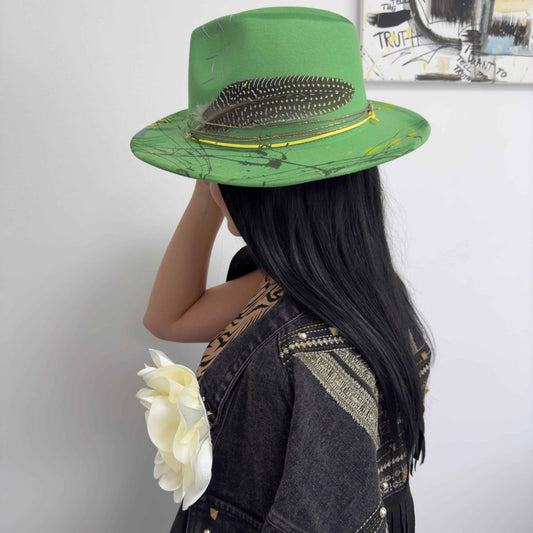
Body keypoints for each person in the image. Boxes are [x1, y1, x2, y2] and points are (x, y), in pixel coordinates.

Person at [131, 6, 435, 533]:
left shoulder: (311, 344)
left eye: (224, 179)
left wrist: (220, 172)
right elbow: (169, 318)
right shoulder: (332, 286)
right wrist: (212, 181)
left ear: (267, 195)